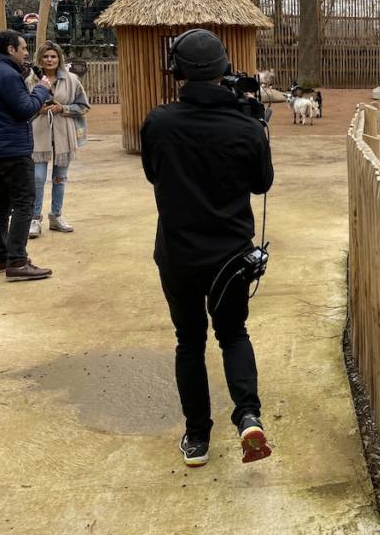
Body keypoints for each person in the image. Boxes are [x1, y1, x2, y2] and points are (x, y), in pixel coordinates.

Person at [140, 29, 274, 468]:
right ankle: (248, 414)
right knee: (233, 333)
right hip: (231, 257)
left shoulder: (159, 122)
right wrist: (254, 125)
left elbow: (152, 174)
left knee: (189, 341)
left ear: (177, 71)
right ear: (224, 69)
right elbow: (262, 184)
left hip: (179, 255)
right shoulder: (245, 125)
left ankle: (197, 437)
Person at [0, 30, 54, 281]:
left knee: (2, 201)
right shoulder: (7, 75)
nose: (27, 52)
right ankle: (17, 260)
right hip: (13, 149)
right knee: (24, 201)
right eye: (23, 48)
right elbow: (25, 109)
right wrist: (41, 90)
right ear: (10, 49)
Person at [26, 42, 91, 238]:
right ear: (40, 59)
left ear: (59, 58)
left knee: (60, 178)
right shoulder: (30, 81)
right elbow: (22, 107)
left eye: (53, 56)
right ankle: (34, 219)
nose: (50, 60)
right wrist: (38, 109)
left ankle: (56, 215)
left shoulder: (72, 80)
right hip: (39, 133)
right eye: (46, 57)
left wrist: (63, 108)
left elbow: (84, 106)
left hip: (64, 133)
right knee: (37, 177)